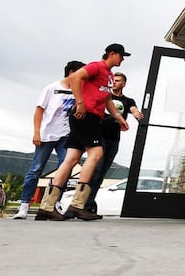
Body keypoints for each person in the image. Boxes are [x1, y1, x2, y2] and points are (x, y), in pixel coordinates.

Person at [35, 43, 130, 221]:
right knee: (96, 154)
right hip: (86, 116)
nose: (122, 59)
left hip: (92, 117)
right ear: (112, 54)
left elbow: (107, 98)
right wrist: (80, 103)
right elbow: (76, 78)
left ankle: (47, 206)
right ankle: (77, 205)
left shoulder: (109, 75)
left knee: (71, 159)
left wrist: (119, 118)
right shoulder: (96, 66)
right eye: (121, 56)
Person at [11, 60, 85, 219]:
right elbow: (39, 110)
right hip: (47, 134)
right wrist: (36, 132)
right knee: (36, 168)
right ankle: (24, 204)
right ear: (72, 72)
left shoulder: (79, 91)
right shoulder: (52, 88)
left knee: (66, 167)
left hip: (65, 136)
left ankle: (55, 202)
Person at [84, 71, 143, 213]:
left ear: (124, 83)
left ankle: (90, 202)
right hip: (99, 135)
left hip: (114, 138)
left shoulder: (128, 100)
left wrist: (136, 113)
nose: (115, 82)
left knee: (102, 171)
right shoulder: (105, 96)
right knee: (96, 170)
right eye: (114, 80)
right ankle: (84, 202)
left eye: (118, 80)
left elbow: (133, 109)